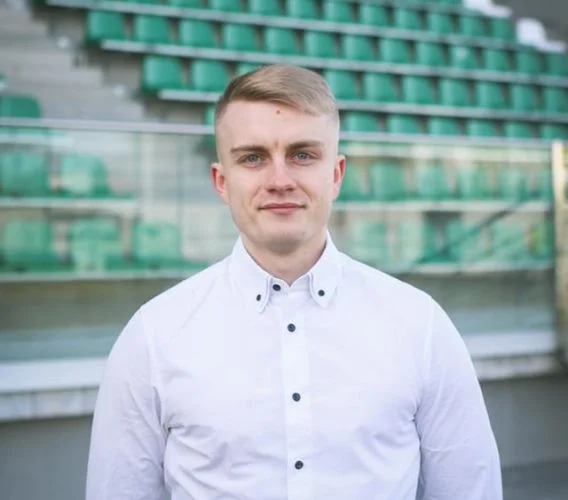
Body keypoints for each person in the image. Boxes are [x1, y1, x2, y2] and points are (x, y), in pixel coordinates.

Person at [86, 64, 502, 500]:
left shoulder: (421, 326)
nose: (280, 181)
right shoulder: (154, 336)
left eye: (302, 155)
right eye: (253, 157)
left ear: (336, 174)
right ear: (222, 182)